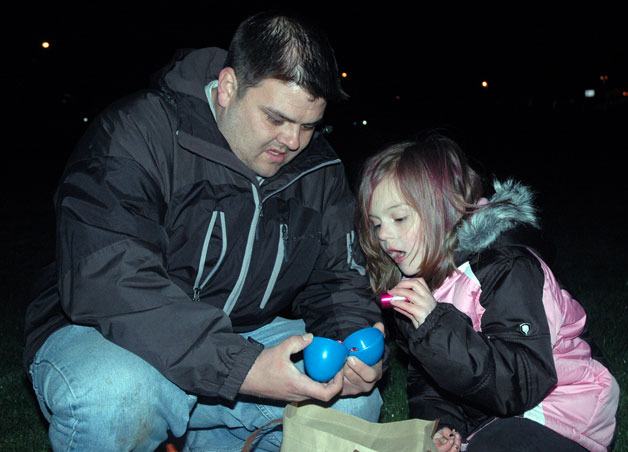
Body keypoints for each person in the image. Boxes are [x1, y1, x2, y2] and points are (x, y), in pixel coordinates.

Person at [24, 11, 384, 451]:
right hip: (111, 335)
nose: (293, 142)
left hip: (242, 335)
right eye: (276, 119)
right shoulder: (139, 131)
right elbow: (108, 277)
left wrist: (353, 339)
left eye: (308, 126)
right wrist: (241, 366)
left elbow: (335, 279)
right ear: (229, 87)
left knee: (351, 407)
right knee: (116, 396)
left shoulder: (319, 168)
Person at [356, 131, 619, 451]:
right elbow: (429, 380)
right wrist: (441, 425)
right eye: (377, 223)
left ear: (442, 209)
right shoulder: (418, 283)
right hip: (492, 418)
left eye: (399, 217)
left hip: (560, 413)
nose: (385, 236)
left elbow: (523, 382)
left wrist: (436, 327)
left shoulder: (507, 268)